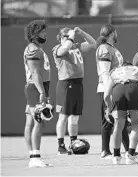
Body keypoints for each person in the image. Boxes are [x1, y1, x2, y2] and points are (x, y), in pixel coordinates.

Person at [52, 27, 96, 155]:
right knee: (63, 116)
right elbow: (63, 50)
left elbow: (93, 44)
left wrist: (82, 33)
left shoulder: (75, 46)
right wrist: (70, 37)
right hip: (66, 84)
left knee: (75, 117)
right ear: (60, 38)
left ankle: (74, 144)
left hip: (77, 84)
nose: (69, 37)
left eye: (69, 35)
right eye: (65, 36)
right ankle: (61, 146)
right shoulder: (57, 48)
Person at [104, 61, 138, 164]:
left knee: (118, 125)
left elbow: (106, 96)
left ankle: (116, 156)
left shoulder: (114, 71)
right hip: (134, 89)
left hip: (119, 89)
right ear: (131, 66)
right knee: (135, 124)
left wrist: (109, 109)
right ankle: (130, 156)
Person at [96, 24, 130, 159]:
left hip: (115, 87)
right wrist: (107, 91)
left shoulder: (111, 48)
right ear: (111, 34)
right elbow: (105, 72)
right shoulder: (104, 48)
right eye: (115, 32)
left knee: (120, 118)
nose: (117, 34)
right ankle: (105, 150)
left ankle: (128, 149)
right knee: (108, 119)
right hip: (107, 88)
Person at [23, 19, 52, 167]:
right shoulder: (33, 49)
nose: (45, 33)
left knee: (30, 122)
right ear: (34, 34)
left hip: (36, 87)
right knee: (38, 122)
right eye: (42, 31)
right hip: (36, 88)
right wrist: (42, 92)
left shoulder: (35, 48)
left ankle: (32, 156)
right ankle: (35, 157)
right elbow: (34, 73)